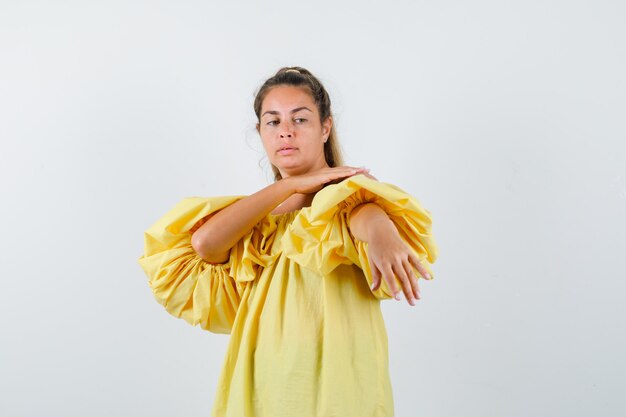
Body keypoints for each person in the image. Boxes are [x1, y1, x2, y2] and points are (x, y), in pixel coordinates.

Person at [138, 66, 438, 417]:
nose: (286, 133)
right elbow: (204, 244)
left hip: (337, 383)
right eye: (273, 121)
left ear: (325, 127)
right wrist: (289, 186)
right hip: (263, 379)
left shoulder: (347, 198)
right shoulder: (254, 218)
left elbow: (363, 215)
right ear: (260, 132)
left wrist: (381, 231)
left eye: (300, 120)